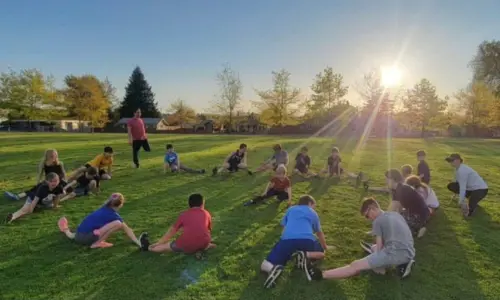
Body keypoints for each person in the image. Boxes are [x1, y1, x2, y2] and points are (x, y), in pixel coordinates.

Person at [304, 198, 415, 281]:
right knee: (375, 251)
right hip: (409, 251)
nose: (368, 219)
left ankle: (319, 275)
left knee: (356, 265)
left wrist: (370, 261)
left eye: (367, 215)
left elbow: (379, 250)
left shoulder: (378, 221)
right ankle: (401, 264)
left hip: (394, 253)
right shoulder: (394, 214)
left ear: (372, 208)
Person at [261, 195, 328, 288]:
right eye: (314, 205)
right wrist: (325, 247)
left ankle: (271, 269)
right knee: (321, 254)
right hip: (307, 240)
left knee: (265, 263)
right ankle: (306, 254)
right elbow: (319, 233)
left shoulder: (291, 209)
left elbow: (284, 227)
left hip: (287, 240)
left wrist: (282, 241)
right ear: (310, 203)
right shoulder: (313, 212)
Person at [57, 193, 147, 249]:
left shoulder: (103, 208)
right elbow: (126, 228)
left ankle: (66, 229)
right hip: (86, 238)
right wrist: (137, 242)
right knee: (118, 224)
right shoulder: (113, 215)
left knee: (73, 235)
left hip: (78, 235)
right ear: (120, 205)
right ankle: (97, 243)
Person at [139, 193, 216, 257]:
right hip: (205, 241)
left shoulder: (183, 215)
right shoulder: (207, 213)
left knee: (163, 247)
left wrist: (159, 242)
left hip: (186, 244)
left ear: (189, 205)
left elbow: (172, 231)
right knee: (201, 242)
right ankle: (202, 248)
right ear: (202, 204)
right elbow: (209, 229)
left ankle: (147, 247)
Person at [4, 149, 70, 201]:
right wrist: (38, 183)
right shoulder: (44, 164)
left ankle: (42, 198)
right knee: (36, 188)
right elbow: (39, 174)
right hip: (49, 181)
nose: (54, 157)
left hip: (59, 181)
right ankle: (18, 196)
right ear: (47, 156)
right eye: (52, 156)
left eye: (55, 155)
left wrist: (65, 181)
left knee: (47, 190)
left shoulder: (60, 163)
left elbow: (63, 173)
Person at [386, 169, 429, 238]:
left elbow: (391, 210)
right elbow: (396, 209)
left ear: (393, 179)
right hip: (418, 213)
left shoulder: (402, 189)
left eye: (387, 179)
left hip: (418, 216)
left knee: (396, 227)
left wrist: (382, 222)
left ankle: (417, 229)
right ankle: (418, 229)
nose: (385, 181)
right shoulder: (397, 189)